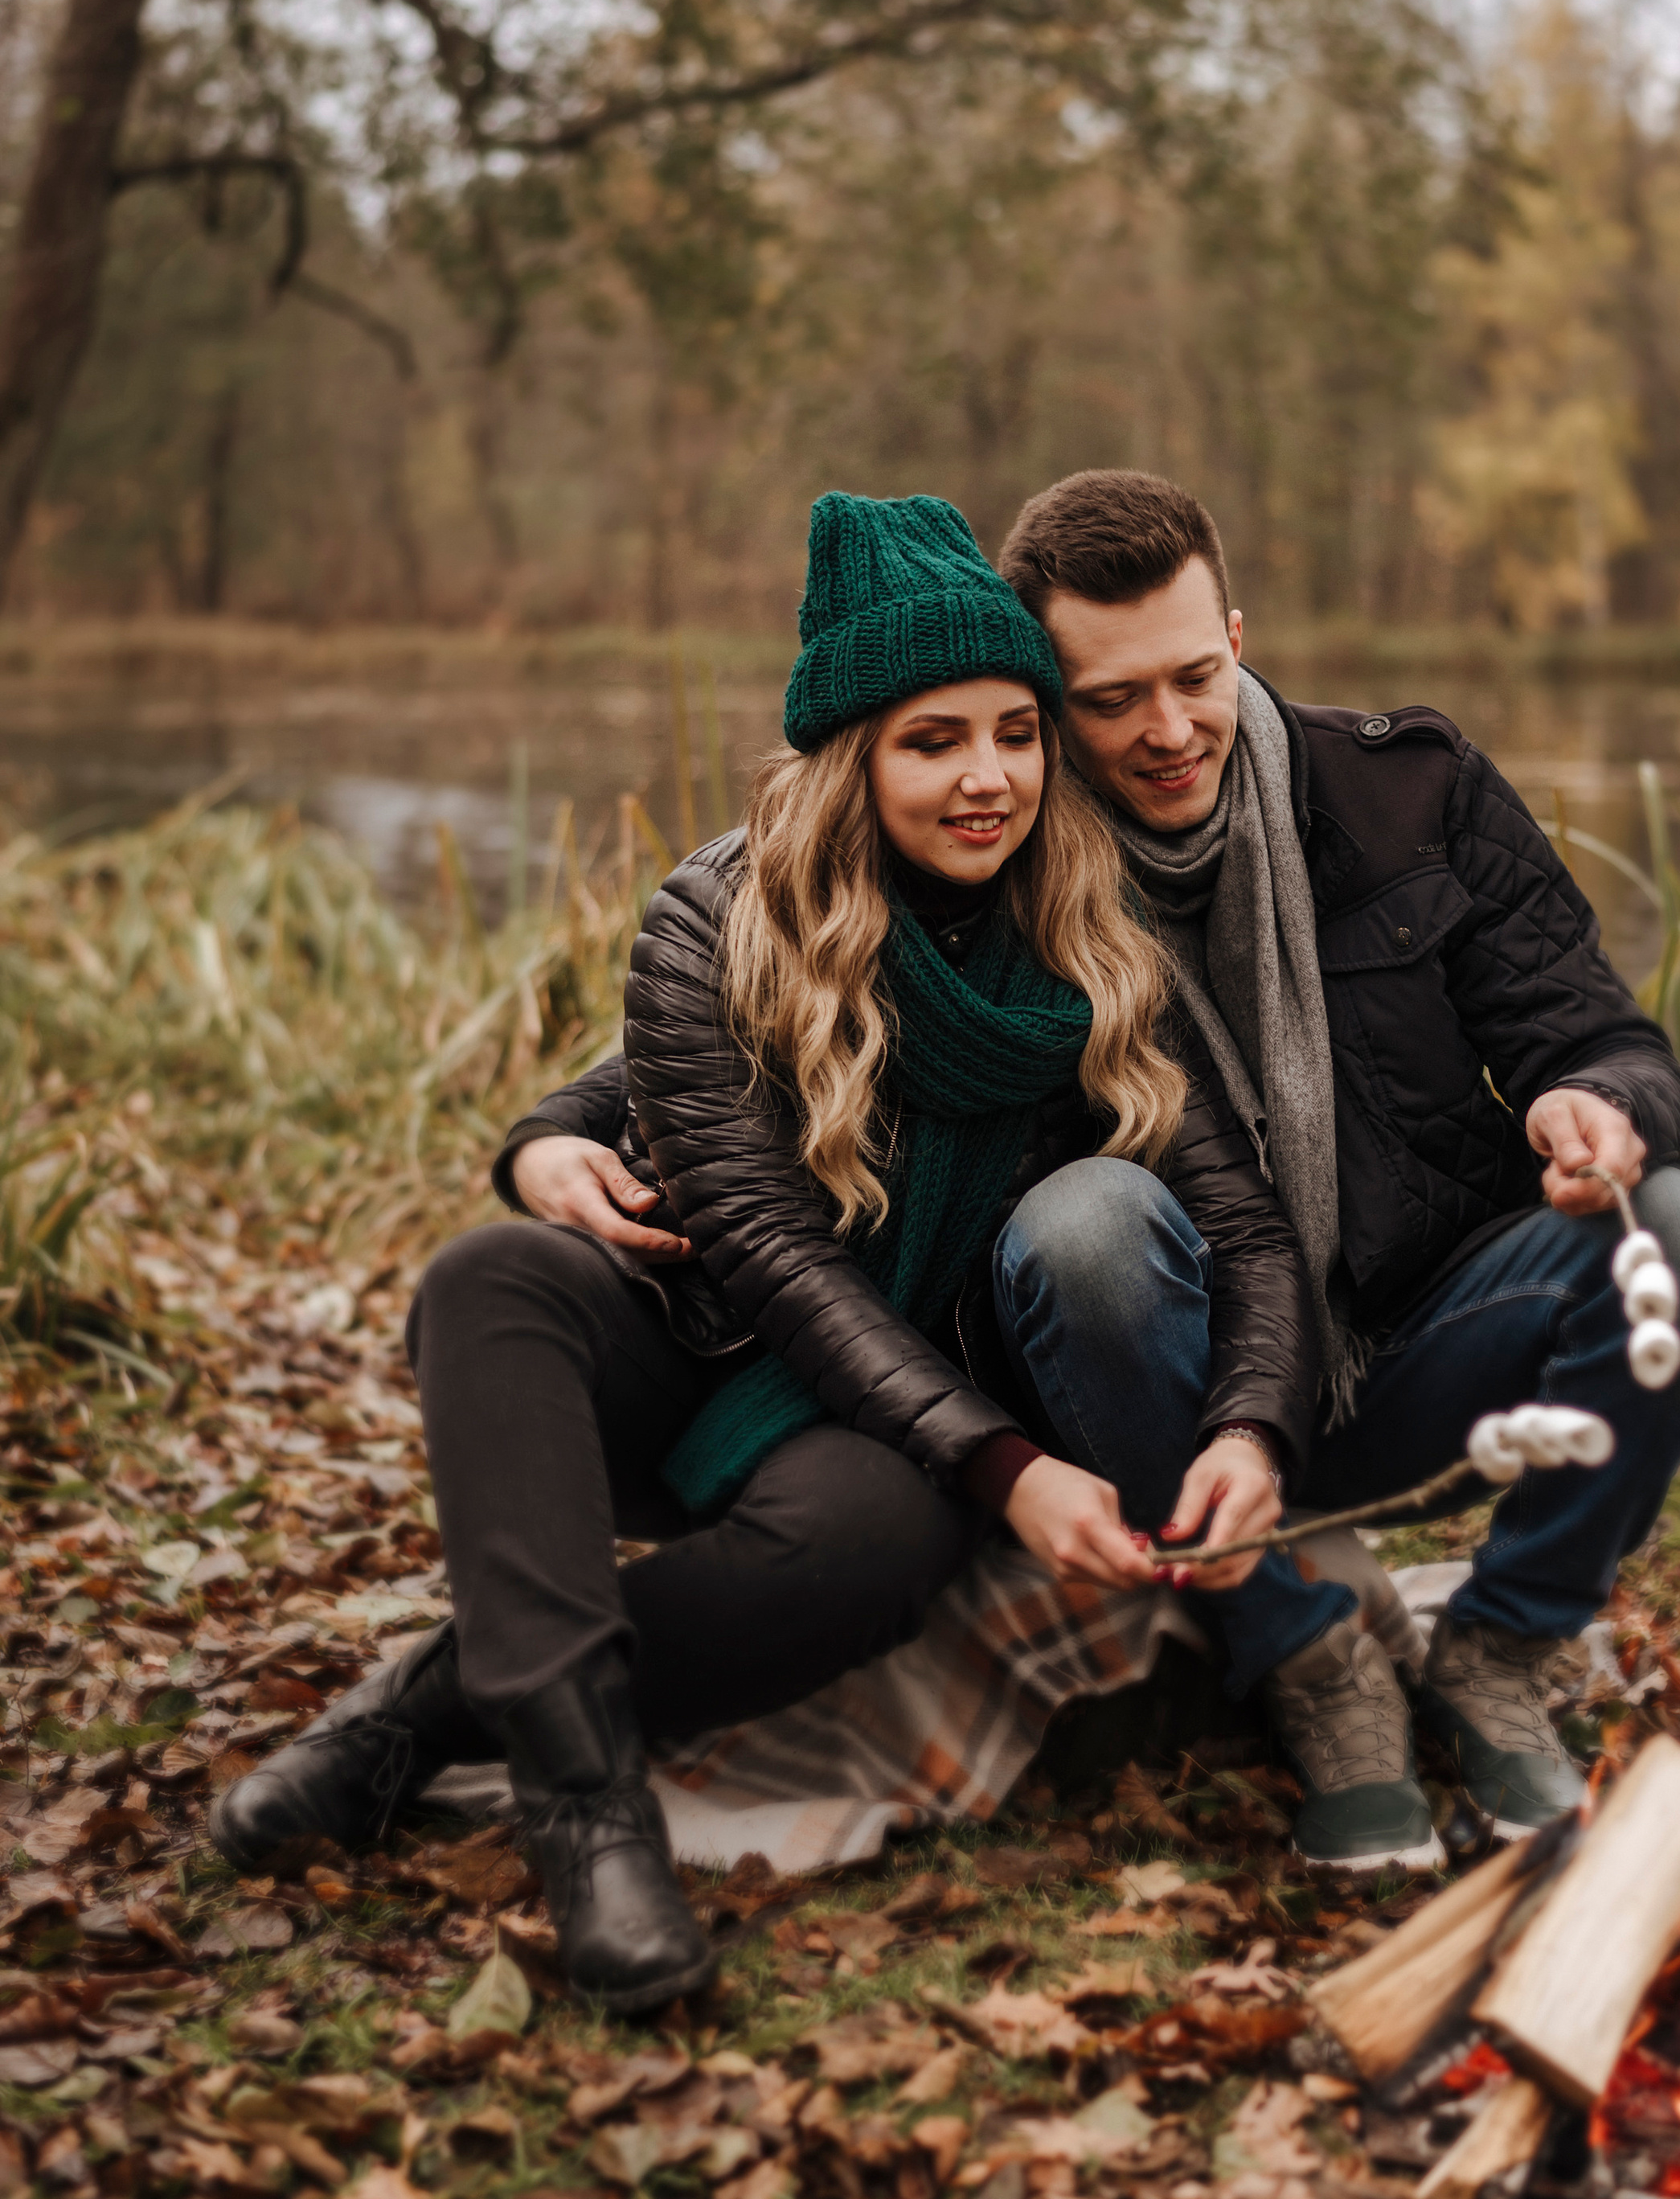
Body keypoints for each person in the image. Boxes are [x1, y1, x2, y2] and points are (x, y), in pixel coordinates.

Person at [213, 491, 1352, 2014]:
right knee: (491, 1279)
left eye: (1017, 733)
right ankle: (592, 1822)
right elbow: (764, 1249)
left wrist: (1252, 1426)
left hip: (886, 1411)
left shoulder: (1087, 938)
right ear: (853, 756)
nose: (989, 777)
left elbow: (1245, 1222)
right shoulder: (715, 920)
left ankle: (422, 1707)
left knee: (875, 1543)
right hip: (702, 1328)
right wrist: (1014, 1468)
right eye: (934, 740)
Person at [996, 469, 1680, 1871]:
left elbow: (1600, 1036)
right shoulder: (996, 858)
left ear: (1237, 633)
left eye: (1195, 676)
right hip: (1162, 1396)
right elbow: (758, 950)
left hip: (1413, 1351)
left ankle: (1502, 1642)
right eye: (1112, 700)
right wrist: (575, 1126)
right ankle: (1306, 1652)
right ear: (1045, 696)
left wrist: (1596, 1103)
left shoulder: (1414, 786)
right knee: (1081, 1225)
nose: (1170, 729)